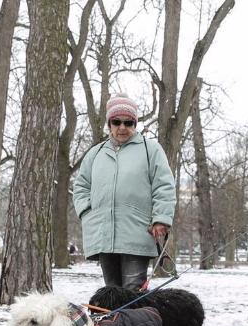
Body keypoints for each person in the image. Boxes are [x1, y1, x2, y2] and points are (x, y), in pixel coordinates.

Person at [73, 93, 176, 292]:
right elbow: (81, 186)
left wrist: (161, 218)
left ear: (135, 124)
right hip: (103, 235)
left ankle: (136, 324)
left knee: (133, 290)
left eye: (128, 122)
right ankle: (114, 324)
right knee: (111, 293)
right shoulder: (95, 153)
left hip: (137, 233)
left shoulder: (151, 150)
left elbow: (164, 185)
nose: (122, 127)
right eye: (116, 122)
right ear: (109, 124)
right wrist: (87, 213)